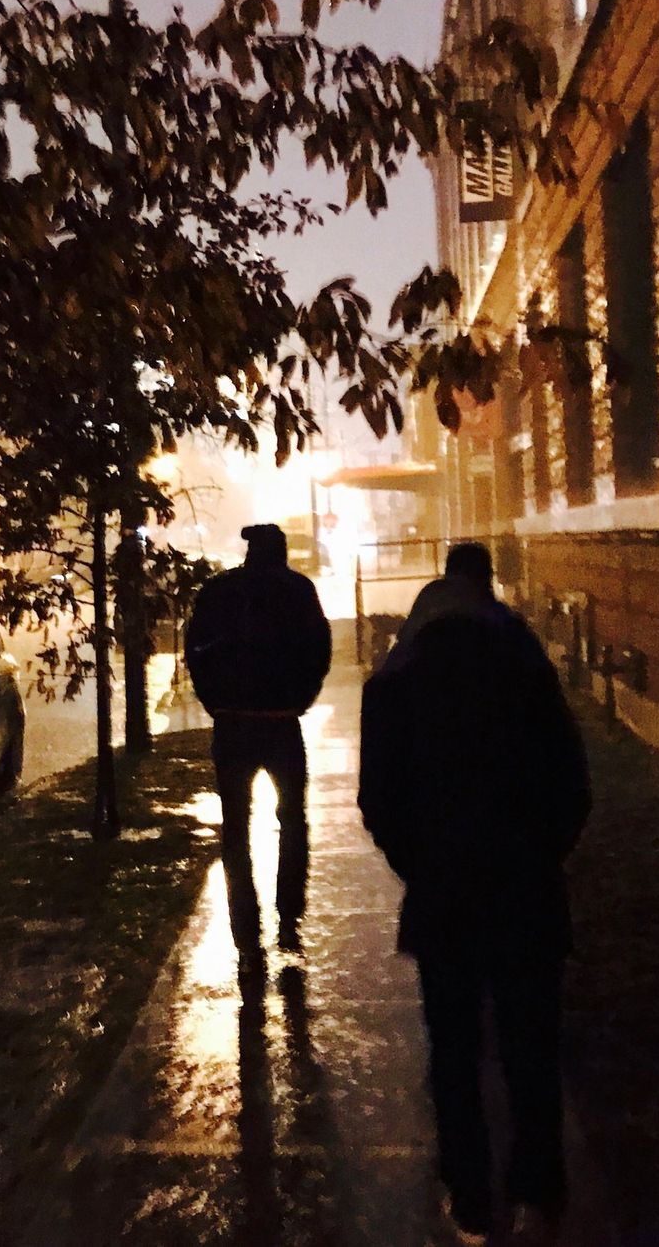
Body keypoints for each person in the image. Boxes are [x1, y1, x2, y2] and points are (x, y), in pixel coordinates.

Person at [358, 542, 589, 1245]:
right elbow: (571, 785)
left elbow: (380, 801)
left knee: (453, 1049)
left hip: (444, 895)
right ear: (487, 584)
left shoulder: (395, 680)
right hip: (525, 889)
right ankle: (538, 1193)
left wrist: (422, 864)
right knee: (531, 1046)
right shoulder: (525, 667)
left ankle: (469, 1200)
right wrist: (538, 855)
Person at [184, 524, 333, 977]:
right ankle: (289, 917)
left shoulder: (220, 591)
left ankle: (245, 934)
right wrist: (300, 699)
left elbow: (196, 649)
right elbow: (319, 649)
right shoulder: (297, 590)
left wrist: (214, 699)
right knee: (292, 819)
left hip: (233, 724)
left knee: (236, 830)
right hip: (281, 724)